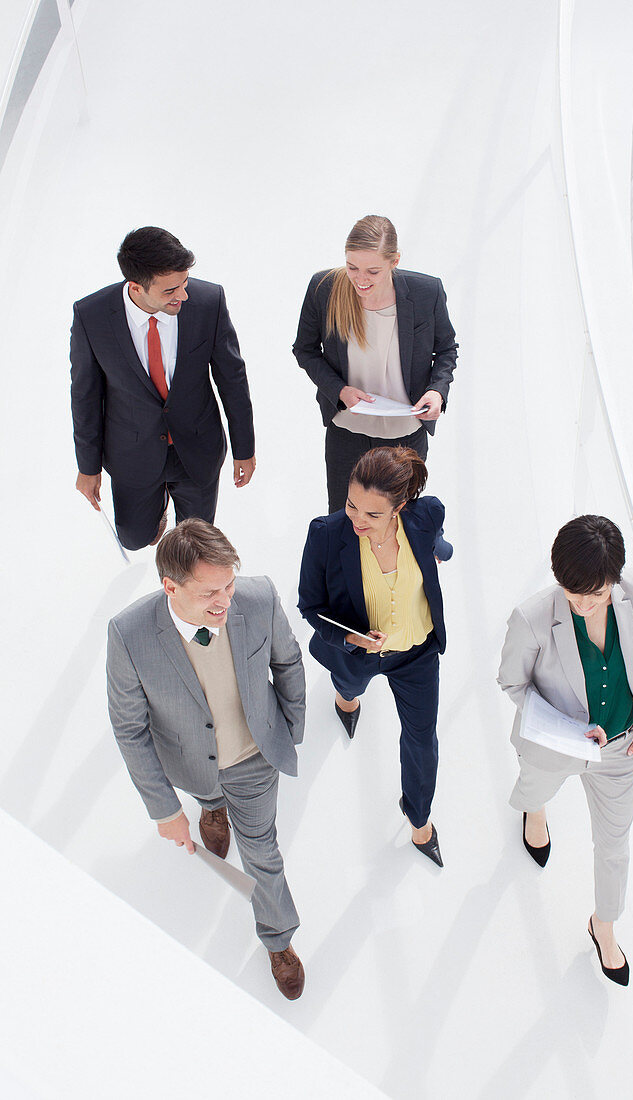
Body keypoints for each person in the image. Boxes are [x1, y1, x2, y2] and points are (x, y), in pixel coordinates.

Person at [107, 519, 306, 999]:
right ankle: (210, 809)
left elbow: (287, 662)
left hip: (254, 758)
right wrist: (165, 809)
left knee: (261, 852)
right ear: (169, 586)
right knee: (208, 798)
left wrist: (291, 730)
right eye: (208, 593)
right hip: (190, 765)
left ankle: (278, 938)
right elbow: (129, 728)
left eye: (228, 585)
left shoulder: (258, 599)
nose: (224, 601)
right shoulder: (128, 634)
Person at [497, 515, 633, 986]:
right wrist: (567, 731)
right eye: (575, 595)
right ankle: (535, 813)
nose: (587, 605)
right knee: (533, 791)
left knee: (615, 846)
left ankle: (604, 927)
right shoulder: (531, 618)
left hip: (621, 750)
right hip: (555, 747)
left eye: (598, 594)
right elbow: (513, 682)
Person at [298, 446, 452, 866]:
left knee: (422, 740)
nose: (357, 521)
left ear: (399, 507)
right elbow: (309, 606)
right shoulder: (326, 534)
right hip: (358, 654)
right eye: (351, 505)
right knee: (348, 687)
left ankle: (419, 820)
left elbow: (436, 537)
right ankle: (346, 700)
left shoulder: (425, 516)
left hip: (417, 653)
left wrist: (440, 548)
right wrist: (351, 641)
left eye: (372, 514)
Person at [71, 226, 256, 551]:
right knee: (134, 539)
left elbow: (233, 378)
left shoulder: (208, 302)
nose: (182, 295)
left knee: (195, 547)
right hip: (132, 453)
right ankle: (156, 514)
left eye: (184, 283)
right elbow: (85, 396)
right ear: (136, 287)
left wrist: (245, 448)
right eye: (170, 290)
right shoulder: (91, 316)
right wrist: (87, 467)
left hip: (197, 450)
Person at [293, 214, 458, 513]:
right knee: (344, 524)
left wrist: (437, 391)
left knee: (397, 525)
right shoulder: (324, 288)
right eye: (352, 267)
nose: (360, 279)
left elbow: (446, 349)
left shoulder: (426, 292)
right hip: (347, 431)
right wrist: (340, 390)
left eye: (373, 270)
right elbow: (304, 350)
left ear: (394, 261)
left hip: (405, 434)